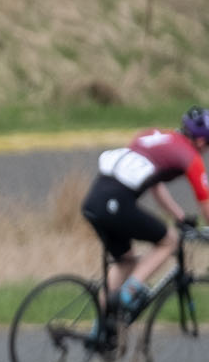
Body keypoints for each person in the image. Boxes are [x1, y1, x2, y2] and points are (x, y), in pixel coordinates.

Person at [81, 108, 209, 323]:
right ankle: (128, 294)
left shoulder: (154, 136)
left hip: (94, 201)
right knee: (170, 241)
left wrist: (178, 216)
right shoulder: (191, 158)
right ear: (200, 142)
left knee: (125, 261)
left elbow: (154, 184)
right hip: (117, 203)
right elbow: (205, 201)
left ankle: (101, 332)